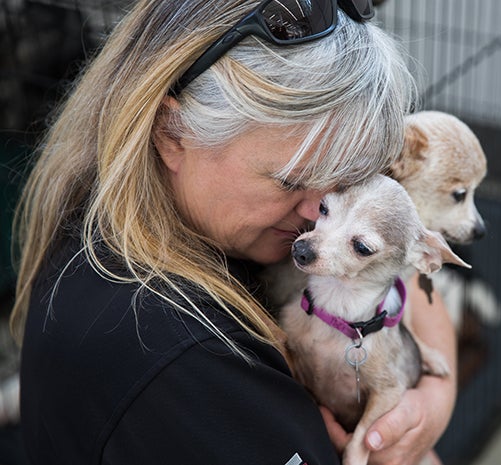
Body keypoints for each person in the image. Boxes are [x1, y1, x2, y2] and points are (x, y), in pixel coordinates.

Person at [9, 1, 458, 464]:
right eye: (290, 181)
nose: (316, 216)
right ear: (172, 132)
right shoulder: (186, 363)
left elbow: (399, 272)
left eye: (345, 183)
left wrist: (434, 398)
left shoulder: (154, 226)